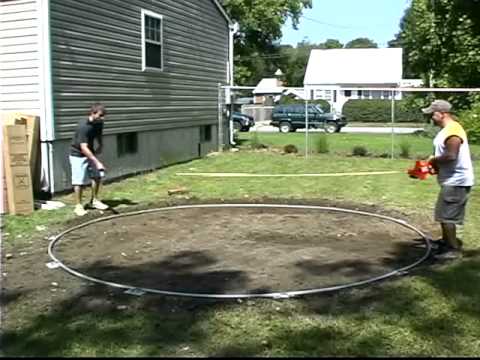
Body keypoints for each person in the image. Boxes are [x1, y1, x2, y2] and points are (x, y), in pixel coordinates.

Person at [422, 99, 475, 259]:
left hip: (457, 181)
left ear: (442, 113)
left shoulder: (453, 131)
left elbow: (451, 156)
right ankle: (446, 242)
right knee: (443, 213)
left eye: (433, 114)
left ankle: (452, 250)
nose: (431, 117)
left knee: (446, 216)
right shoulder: (447, 129)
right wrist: (432, 166)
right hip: (451, 180)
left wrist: (433, 160)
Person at [69, 103, 109, 216]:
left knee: (97, 176)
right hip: (78, 154)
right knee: (79, 180)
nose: (103, 118)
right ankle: (78, 206)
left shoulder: (99, 123)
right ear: (92, 113)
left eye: (104, 116)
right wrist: (97, 162)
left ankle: (94, 201)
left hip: (89, 151)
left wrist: (100, 145)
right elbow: (83, 148)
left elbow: (99, 135)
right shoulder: (83, 126)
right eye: (100, 115)